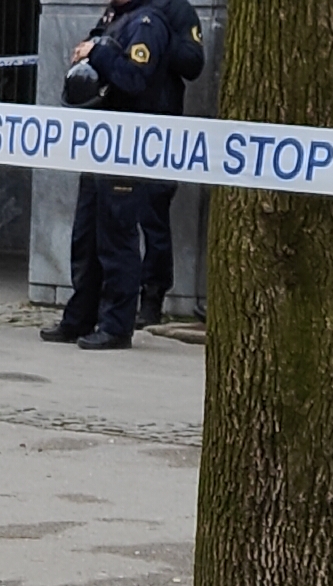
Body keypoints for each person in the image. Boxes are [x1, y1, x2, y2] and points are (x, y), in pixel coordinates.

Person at [45, 0, 200, 349]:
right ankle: (80, 317)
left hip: (127, 146)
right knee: (87, 236)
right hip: (101, 141)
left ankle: (117, 324)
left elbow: (134, 78)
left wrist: (98, 53)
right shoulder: (119, 18)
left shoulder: (149, 22)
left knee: (118, 239)